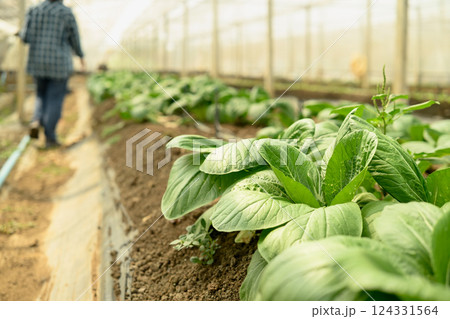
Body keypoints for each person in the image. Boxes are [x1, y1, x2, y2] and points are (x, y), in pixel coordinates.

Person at [20, 0, 84, 148]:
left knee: (41, 95)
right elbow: (74, 38)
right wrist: (80, 56)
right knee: (55, 99)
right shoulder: (65, 13)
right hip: (59, 65)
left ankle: (36, 120)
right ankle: (50, 138)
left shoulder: (34, 10)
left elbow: (25, 37)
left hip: (37, 62)